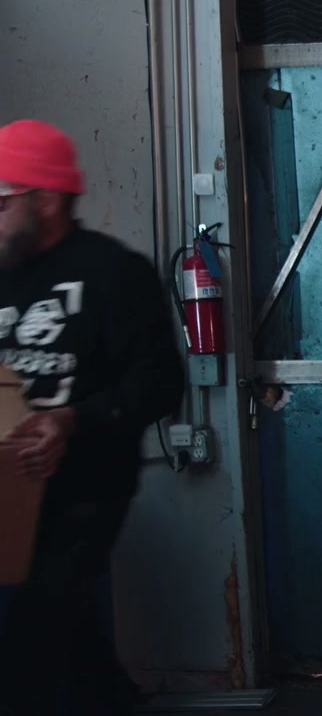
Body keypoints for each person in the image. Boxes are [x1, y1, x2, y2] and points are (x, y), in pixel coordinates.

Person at [0, 119, 185, 714]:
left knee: (33, 630)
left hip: (84, 491)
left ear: (46, 200)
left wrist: (71, 420)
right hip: (10, 488)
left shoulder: (114, 273)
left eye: (2, 202)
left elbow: (160, 384)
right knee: (66, 633)